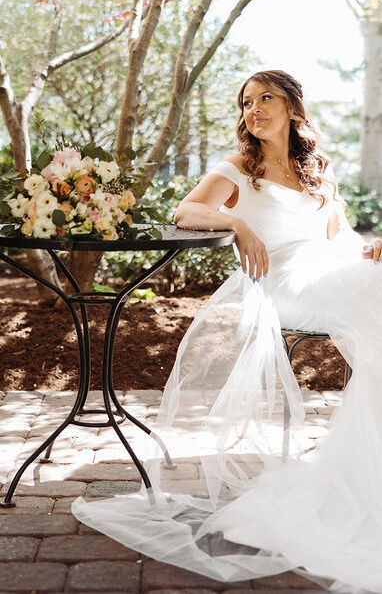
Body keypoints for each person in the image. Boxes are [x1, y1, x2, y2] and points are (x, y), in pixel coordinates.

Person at [73, 70, 382, 594]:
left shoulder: (317, 172)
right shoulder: (240, 166)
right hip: (281, 279)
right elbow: (187, 210)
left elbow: (340, 236)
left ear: (291, 108)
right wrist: (238, 224)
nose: (254, 109)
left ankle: (362, 470)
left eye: (266, 99)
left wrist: (369, 249)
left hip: (329, 270)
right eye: (246, 102)